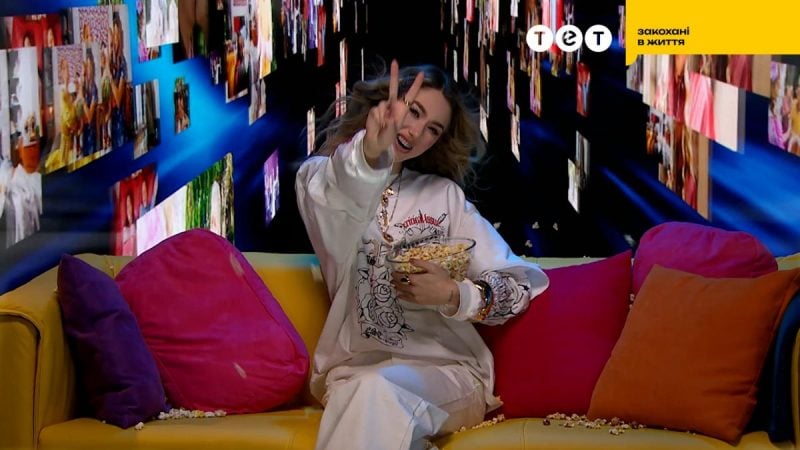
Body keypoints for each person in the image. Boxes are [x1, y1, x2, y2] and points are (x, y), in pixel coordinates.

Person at [295, 60, 550, 450]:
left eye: (433, 129)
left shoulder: (443, 196)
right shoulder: (317, 179)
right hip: (353, 374)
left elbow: (518, 285)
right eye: (413, 112)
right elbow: (345, 189)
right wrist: (370, 151)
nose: (415, 132)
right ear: (384, 104)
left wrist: (454, 295)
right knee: (371, 392)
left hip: (448, 375)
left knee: (376, 394)